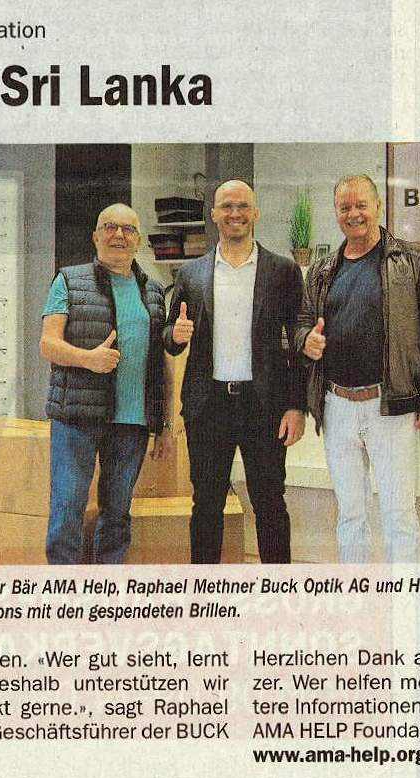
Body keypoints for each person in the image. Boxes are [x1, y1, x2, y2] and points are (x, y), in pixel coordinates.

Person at [295, 174, 420, 563]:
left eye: (361, 205)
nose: (354, 214)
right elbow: (299, 324)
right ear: (336, 212)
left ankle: (404, 606)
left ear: (378, 207)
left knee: (399, 515)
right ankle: (359, 603)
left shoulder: (411, 261)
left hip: (393, 407)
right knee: (350, 515)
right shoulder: (321, 269)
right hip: (338, 406)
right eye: (345, 207)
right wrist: (305, 341)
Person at [164, 180, 306, 564]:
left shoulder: (283, 271)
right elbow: (169, 333)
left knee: (270, 504)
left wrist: (296, 407)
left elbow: (297, 344)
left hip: (265, 408)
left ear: (255, 213)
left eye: (243, 206)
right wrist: (175, 336)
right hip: (207, 406)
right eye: (226, 206)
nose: (235, 213)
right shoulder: (191, 273)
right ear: (214, 215)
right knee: (206, 504)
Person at [40, 203, 172, 564]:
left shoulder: (154, 291)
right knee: (67, 510)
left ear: (138, 239)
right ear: (96, 236)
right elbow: (47, 344)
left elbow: (160, 364)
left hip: (132, 424)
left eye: (128, 229)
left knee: (117, 515)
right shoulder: (69, 279)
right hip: (76, 420)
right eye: (110, 227)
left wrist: (164, 425)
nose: (119, 235)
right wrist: (88, 359)